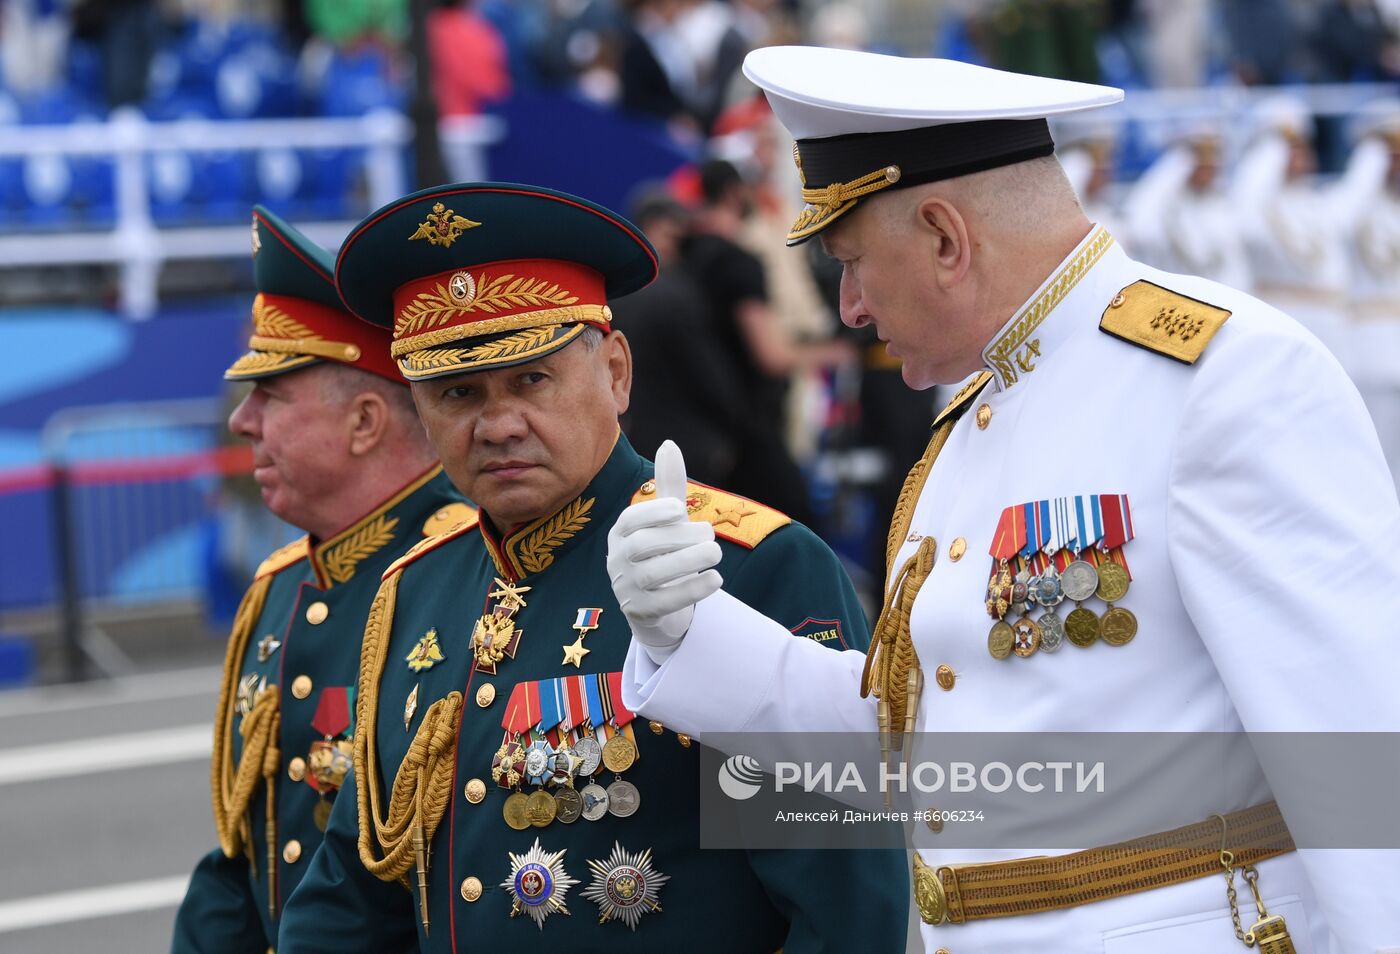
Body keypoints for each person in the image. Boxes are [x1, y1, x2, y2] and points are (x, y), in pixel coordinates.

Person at [607, 47, 1400, 952]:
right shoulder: (973, 416)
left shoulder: (1224, 375)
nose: (851, 306)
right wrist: (688, 631)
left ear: (946, 238)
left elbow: (1360, 757)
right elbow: (933, 763)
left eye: (854, 262)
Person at [275, 182, 908, 952]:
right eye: (457, 394)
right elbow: (351, 895)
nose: (499, 423)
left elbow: (847, 911)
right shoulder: (415, 592)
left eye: (531, 380)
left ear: (615, 372)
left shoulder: (749, 567)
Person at [171, 206, 468, 953]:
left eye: (270, 395)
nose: (241, 421)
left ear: (366, 422)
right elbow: (244, 863)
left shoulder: (475, 570)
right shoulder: (278, 590)